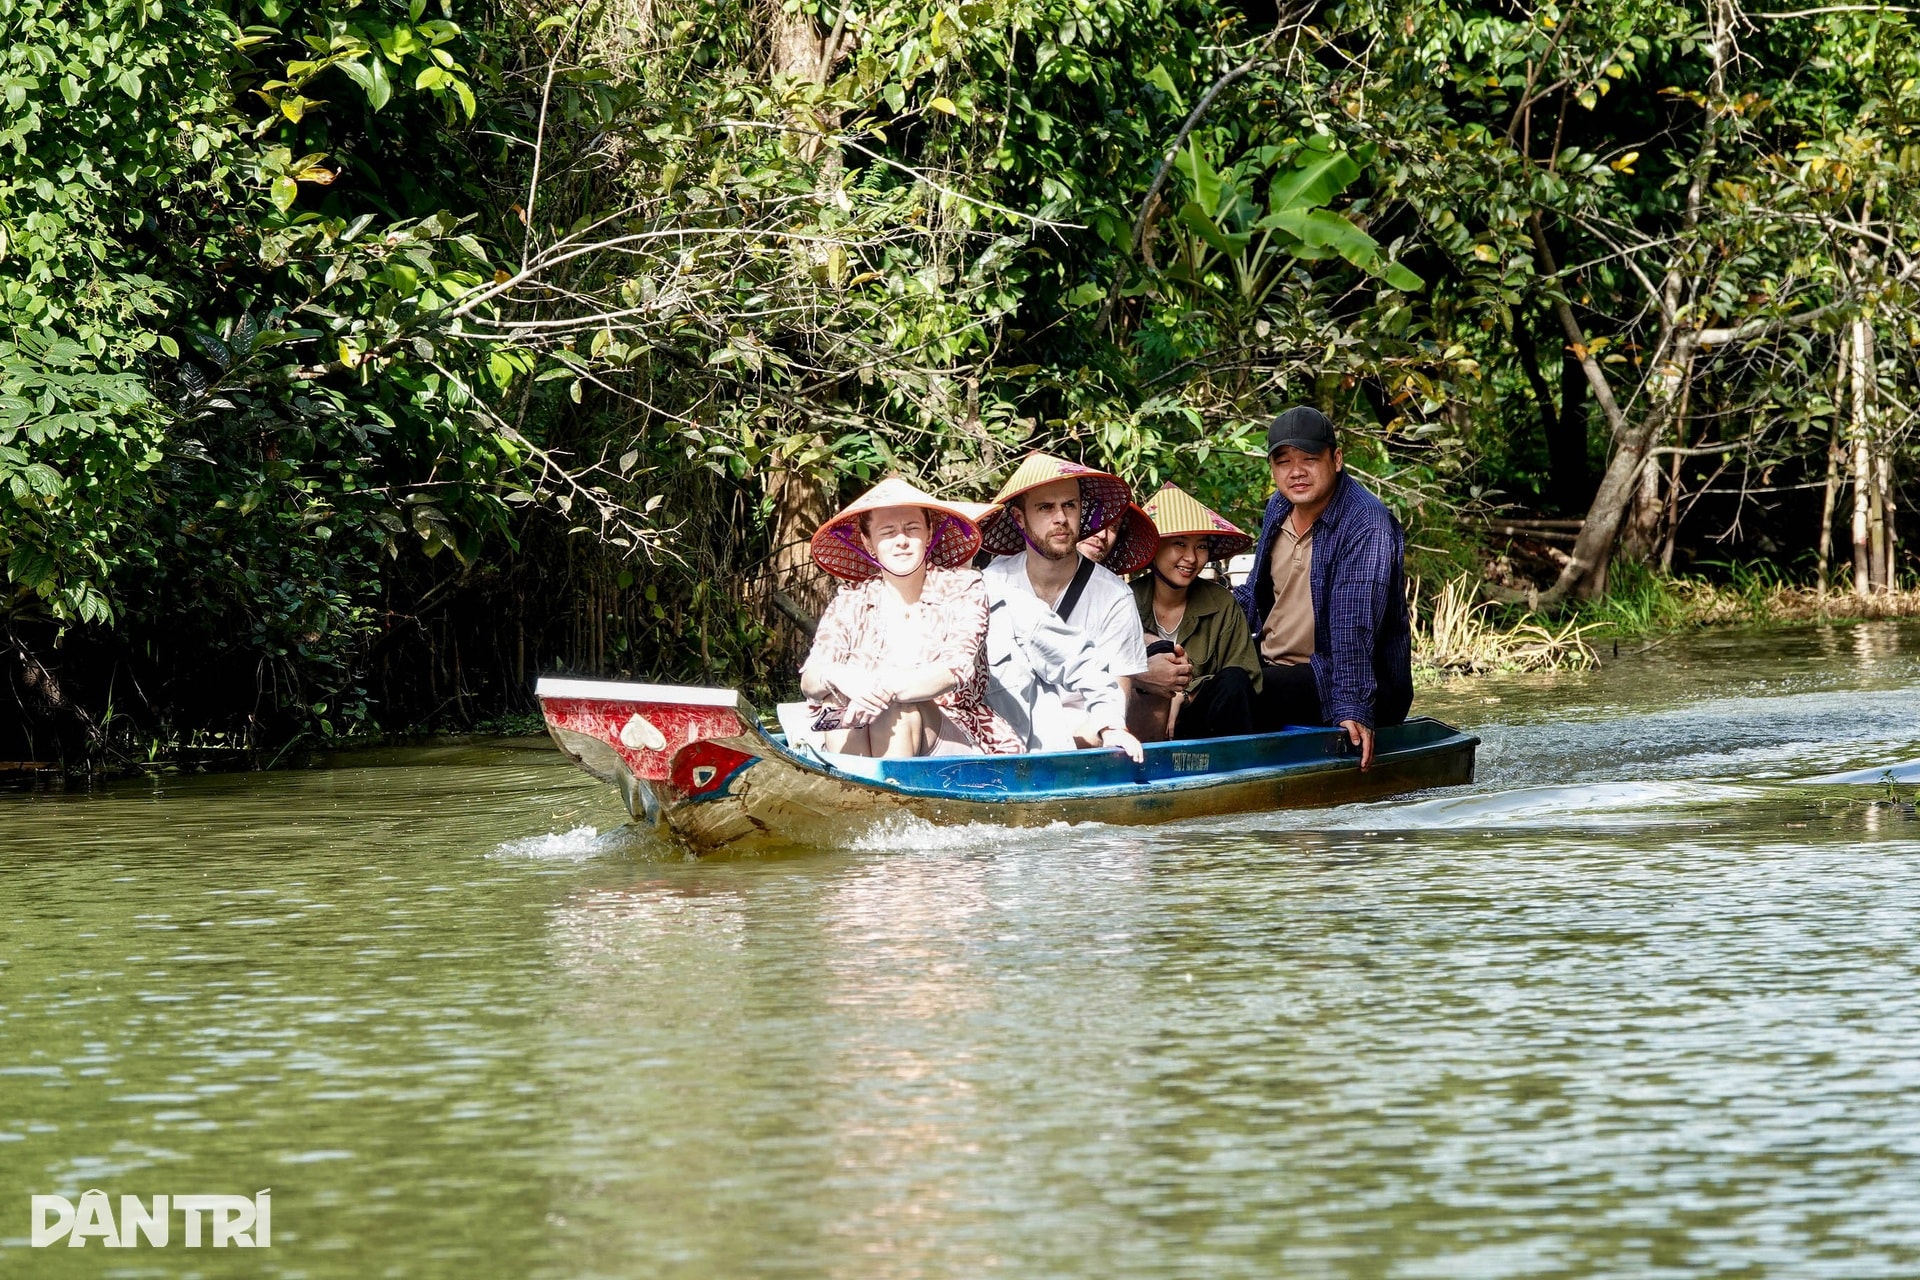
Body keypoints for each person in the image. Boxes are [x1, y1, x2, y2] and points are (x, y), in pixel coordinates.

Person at [1234, 406, 1413, 768]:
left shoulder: (1366, 523)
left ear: (1336, 459)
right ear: (1273, 469)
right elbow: (1253, 594)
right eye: (1284, 462)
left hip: (1340, 677)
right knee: (1217, 682)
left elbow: (1353, 624)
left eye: (1309, 459)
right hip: (1275, 665)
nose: (1296, 471)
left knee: (1239, 692)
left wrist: (1353, 706)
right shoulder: (1279, 506)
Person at [800, 478, 1022, 758]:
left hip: (951, 728)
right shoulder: (850, 601)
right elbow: (810, 679)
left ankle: (892, 786)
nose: (901, 541)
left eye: (912, 528)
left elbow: (955, 668)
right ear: (869, 543)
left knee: (899, 708)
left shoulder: (964, 587)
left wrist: (882, 692)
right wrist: (841, 677)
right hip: (863, 725)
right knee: (836, 701)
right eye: (888, 532)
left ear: (929, 534)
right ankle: (853, 785)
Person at [976, 453, 1170, 700]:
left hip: (1087, 723)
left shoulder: (1114, 597)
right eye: (1045, 507)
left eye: (1070, 505)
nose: (1061, 518)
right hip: (1002, 722)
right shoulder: (991, 584)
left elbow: (1115, 700)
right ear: (1019, 518)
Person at [1128, 483, 1261, 742]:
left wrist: (1186, 693)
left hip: (1202, 728)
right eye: (1180, 544)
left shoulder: (1221, 603)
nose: (1191, 558)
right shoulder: (1124, 600)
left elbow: (1248, 679)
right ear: (1154, 547)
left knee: (1234, 680)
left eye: (1201, 546)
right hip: (1138, 728)